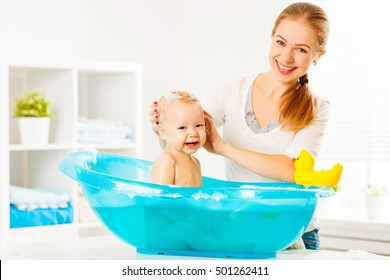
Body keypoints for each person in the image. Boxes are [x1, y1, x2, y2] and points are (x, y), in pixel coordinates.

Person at [150, 2, 329, 250]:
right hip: (241, 224)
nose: (286, 57)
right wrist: (163, 123)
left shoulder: (316, 108)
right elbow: (185, 138)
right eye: (280, 42)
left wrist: (224, 148)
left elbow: (294, 170)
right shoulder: (233, 91)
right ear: (271, 39)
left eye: (300, 49)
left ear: (318, 55)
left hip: (293, 231)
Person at [150, 91, 206, 187]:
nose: (193, 133)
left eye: (198, 125)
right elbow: (160, 198)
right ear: (163, 132)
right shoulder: (167, 161)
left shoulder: (196, 162)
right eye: (182, 128)